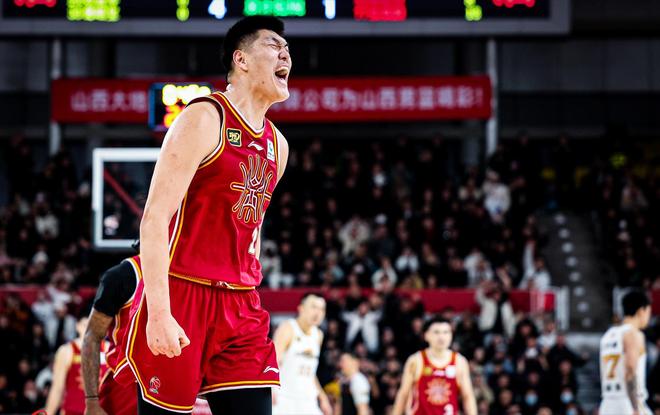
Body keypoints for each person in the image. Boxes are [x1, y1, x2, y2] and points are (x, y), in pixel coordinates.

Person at [115, 15, 291, 414]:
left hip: (240, 303)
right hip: (182, 293)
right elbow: (154, 218)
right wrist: (159, 313)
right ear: (241, 60)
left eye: (287, 50)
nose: (286, 56)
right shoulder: (204, 117)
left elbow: (252, 229)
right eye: (273, 46)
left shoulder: (278, 146)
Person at [82, 256, 142, 415]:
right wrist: (91, 401)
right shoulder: (124, 275)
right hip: (126, 385)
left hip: (174, 383)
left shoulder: (189, 274)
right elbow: (92, 337)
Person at [392, 316, 477, 415]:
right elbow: (403, 393)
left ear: (451, 335)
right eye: (436, 332)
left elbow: (467, 396)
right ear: (426, 335)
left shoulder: (459, 361)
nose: (441, 337)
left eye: (446, 332)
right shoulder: (416, 360)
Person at [272, 293, 332, 415]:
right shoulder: (288, 328)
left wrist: (322, 396)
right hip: (285, 399)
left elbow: (311, 372)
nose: (318, 313)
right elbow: (272, 362)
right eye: (314, 307)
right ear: (301, 308)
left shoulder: (318, 335)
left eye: (322, 309)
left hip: (308, 399)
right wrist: (271, 389)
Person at [599, 290, 653, 415]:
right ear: (641, 311)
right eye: (648, 313)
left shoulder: (607, 335)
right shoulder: (633, 334)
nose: (648, 318)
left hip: (607, 402)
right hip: (627, 402)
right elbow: (630, 369)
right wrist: (635, 407)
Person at [45, 314, 103, 415]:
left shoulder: (107, 349)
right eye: (85, 325)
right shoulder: (66, 351)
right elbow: (57, 388)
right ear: (78, 326)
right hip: (72, 411)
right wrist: (49, 412)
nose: (89, 329)